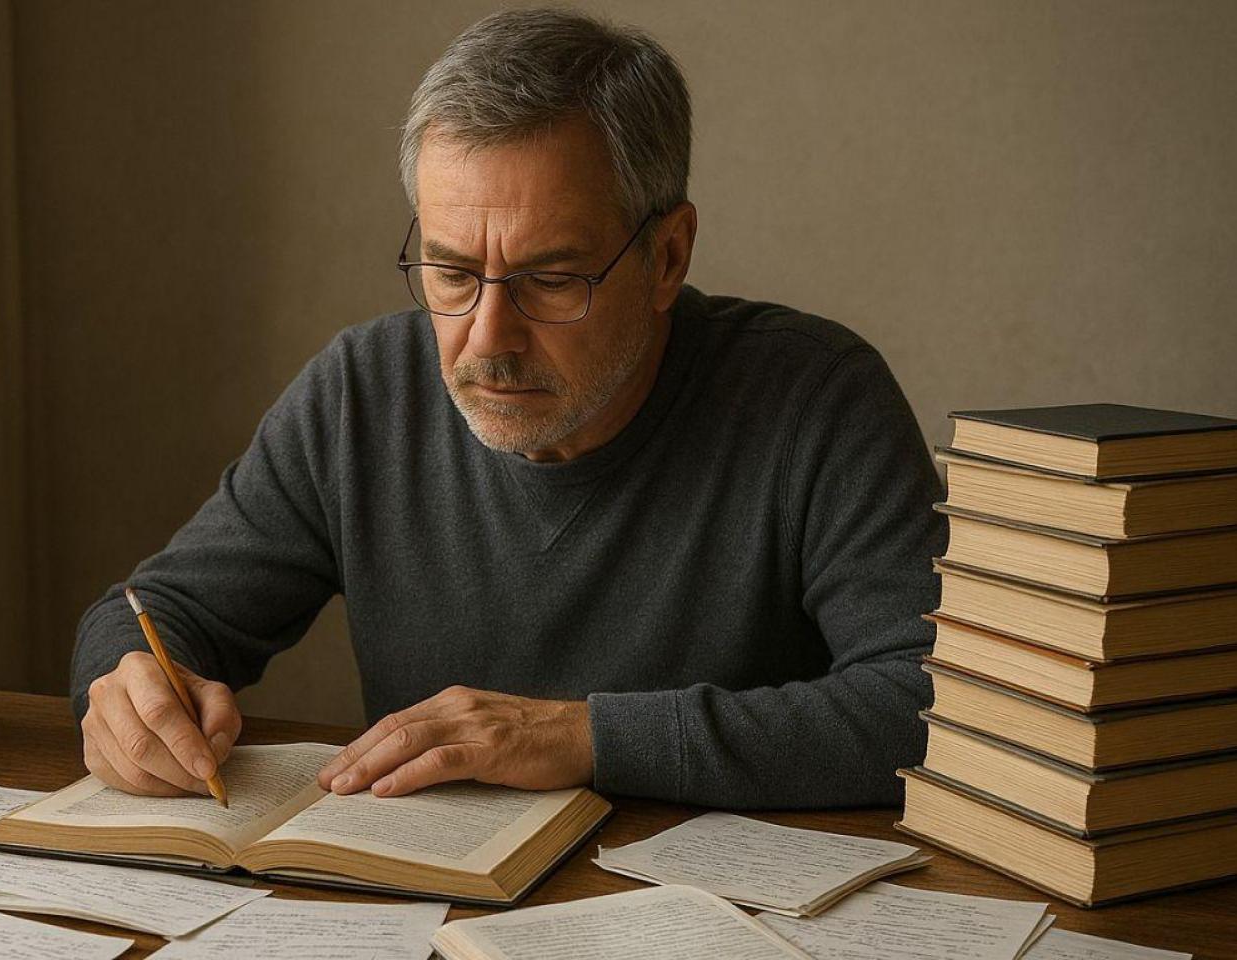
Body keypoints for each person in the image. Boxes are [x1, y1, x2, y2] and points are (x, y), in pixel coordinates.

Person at [69, 7, 945, 808]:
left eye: (552, 279)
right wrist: (131, 684)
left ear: (667, 257)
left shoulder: (816, 398)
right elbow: (157, 611)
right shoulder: (362, 394)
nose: (488, 336)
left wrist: (588, 736)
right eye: (450, 273)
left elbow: (933, 702)